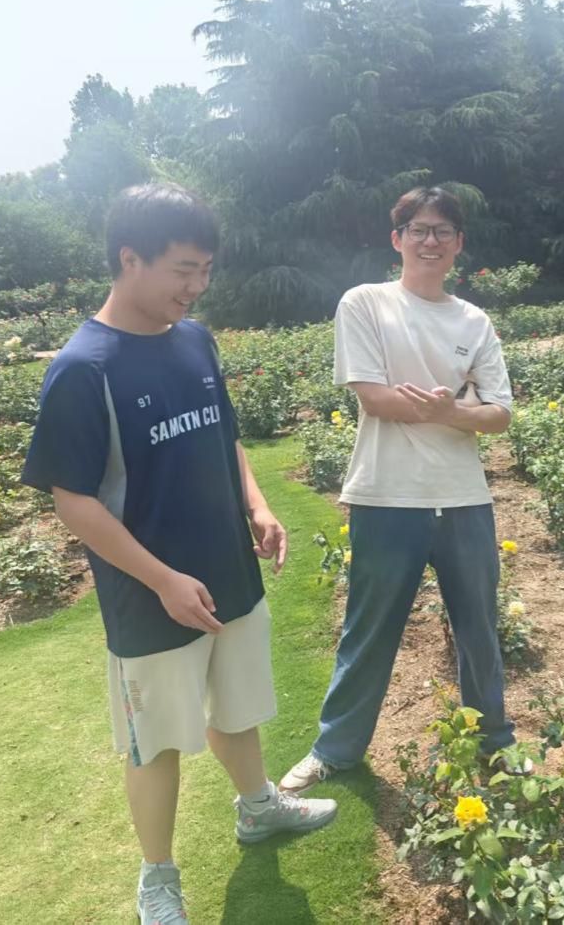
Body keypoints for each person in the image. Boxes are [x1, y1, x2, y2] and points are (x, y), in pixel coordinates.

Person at [21, 183, 336, 925]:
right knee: (155, 741)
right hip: (149, 596)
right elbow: (72, 500)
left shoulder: (195, 340)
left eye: (205, 271)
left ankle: (257, 806)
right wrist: (163, 580)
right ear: (130, 258)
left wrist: (258, 505)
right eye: (183, 270)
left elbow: (225, 436)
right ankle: (157, 879)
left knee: (238, 707)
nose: (196, 287)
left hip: (229, 571)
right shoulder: (84, 368)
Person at [280, 185, 530, 794]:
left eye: (442, 231)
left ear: (459, 244)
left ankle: (494, 741)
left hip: (464, 498)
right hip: (386, 496)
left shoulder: (474, 321)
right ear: (397, 240)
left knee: (479, 629)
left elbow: (500, 414)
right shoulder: (365, 303)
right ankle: (335, 749)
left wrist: (452, 411)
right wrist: (458, 408)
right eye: (418, 229)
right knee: (369, 630)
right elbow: (373, 397)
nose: (430, 240)